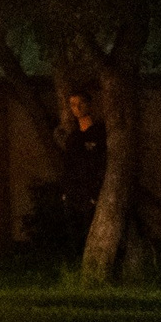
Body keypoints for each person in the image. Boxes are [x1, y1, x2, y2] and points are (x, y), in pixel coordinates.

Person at [59, 91, 108, 250]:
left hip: (90, 193)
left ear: (89, 105)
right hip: (73, 193)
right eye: (73, 104)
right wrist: (66, 193)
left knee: (91, 232)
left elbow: (102, 163)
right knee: (74, 234)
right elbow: (68, 166)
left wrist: (94, 194)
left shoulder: (99, 133)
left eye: (80, 103)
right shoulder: (73, 136)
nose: (77, 108)